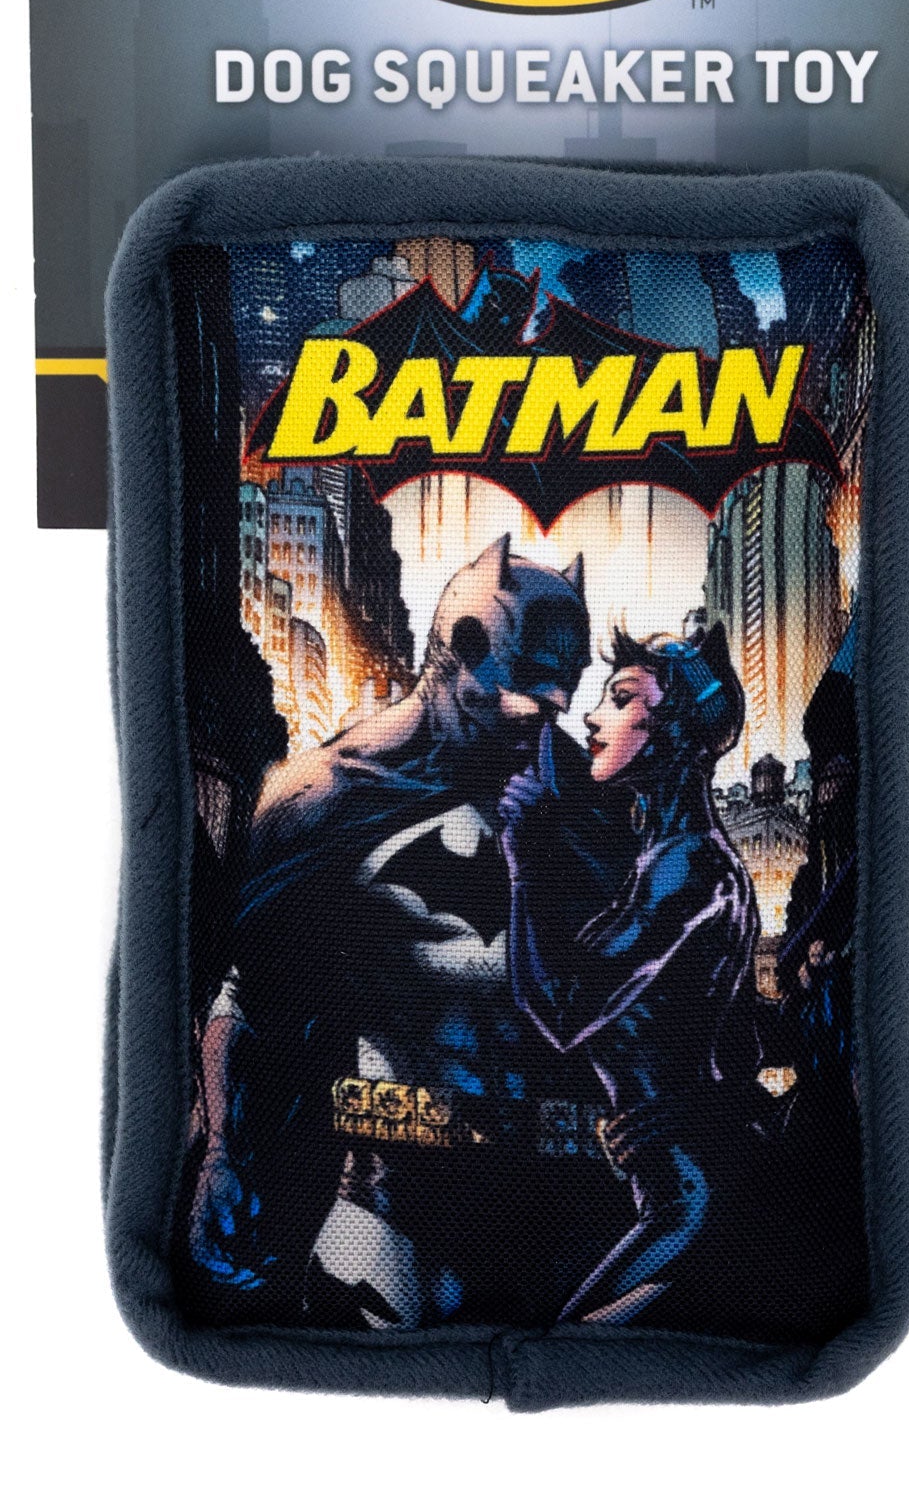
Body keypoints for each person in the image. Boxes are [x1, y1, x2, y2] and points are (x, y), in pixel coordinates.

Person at [185, 534, 611, 1328]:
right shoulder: (324, 799)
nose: (549, 712)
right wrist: (224, 1154)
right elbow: (248, 999)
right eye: (526, 685)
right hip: (393, 1211)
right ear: (462, 648)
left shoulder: (583, 795)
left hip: (566, 1210)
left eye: (565, 688)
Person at [498, 622, 759, 1326]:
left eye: (619, 699)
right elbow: (733, 1043)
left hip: (690, 1204)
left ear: (671, 730)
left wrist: (523, 863)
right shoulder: (673, 858)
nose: (592, 717)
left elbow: (560, 1009)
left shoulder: (687, 865)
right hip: (684, 1191)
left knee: (567, 1357)